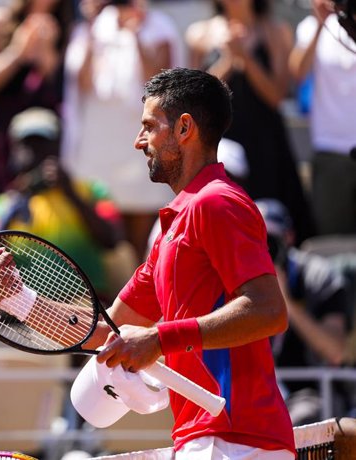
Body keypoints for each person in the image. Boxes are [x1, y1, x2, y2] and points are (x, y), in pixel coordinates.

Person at [89, 68, 295, 458]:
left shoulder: (216, 202)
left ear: (185, 128)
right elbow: (106, 329)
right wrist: (15, 299)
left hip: (237, 442)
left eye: (149, 126)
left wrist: (158, 339)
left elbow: (269, 310)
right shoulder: (174, 225)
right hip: (211, 440)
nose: (138, 141)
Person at [185, 0, 316, 245]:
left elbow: (277, 95)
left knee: (273, 231)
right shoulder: (200, 33)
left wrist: (245, 57)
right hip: (220, 146)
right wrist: (228, 60)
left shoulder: (275, 30)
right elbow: (194, 98)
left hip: (266, 147)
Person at [62, 0, 183, 263]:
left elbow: (159, 81)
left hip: (142, 145)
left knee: (143, 242)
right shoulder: (89, 30)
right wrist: (94, 30)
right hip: (99, 146)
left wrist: (136, 34)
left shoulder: (160, 28)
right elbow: (82, 82)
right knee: (103, 236)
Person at [0, 106, 122, 300]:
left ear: (58, 146)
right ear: (14, 149)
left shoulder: (92, 191)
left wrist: (72, 194)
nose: (35, 153)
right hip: (22, 310)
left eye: (43, 144)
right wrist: (16, 203)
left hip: (84, 305)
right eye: (27, 144)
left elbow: (112, 240)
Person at [255, 198, 352, 425]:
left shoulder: (317, 275)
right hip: (256, 391)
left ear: (289, 237)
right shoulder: (236, 274)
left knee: (294, 421)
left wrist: (285, 300)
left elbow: (336, 351)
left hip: (311, 393)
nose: (265, 250)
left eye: (272, 241)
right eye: (256, 240)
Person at [0, 0, 73, 193]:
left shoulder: (69, 26)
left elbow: (66, 91)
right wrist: (17, 52)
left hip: (44, 143)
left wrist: (47, 56)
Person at [289, 0, 356, 236]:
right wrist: (320, 22)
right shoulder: (309, 27)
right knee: (332, 239)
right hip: (329, 148)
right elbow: (297, 71)